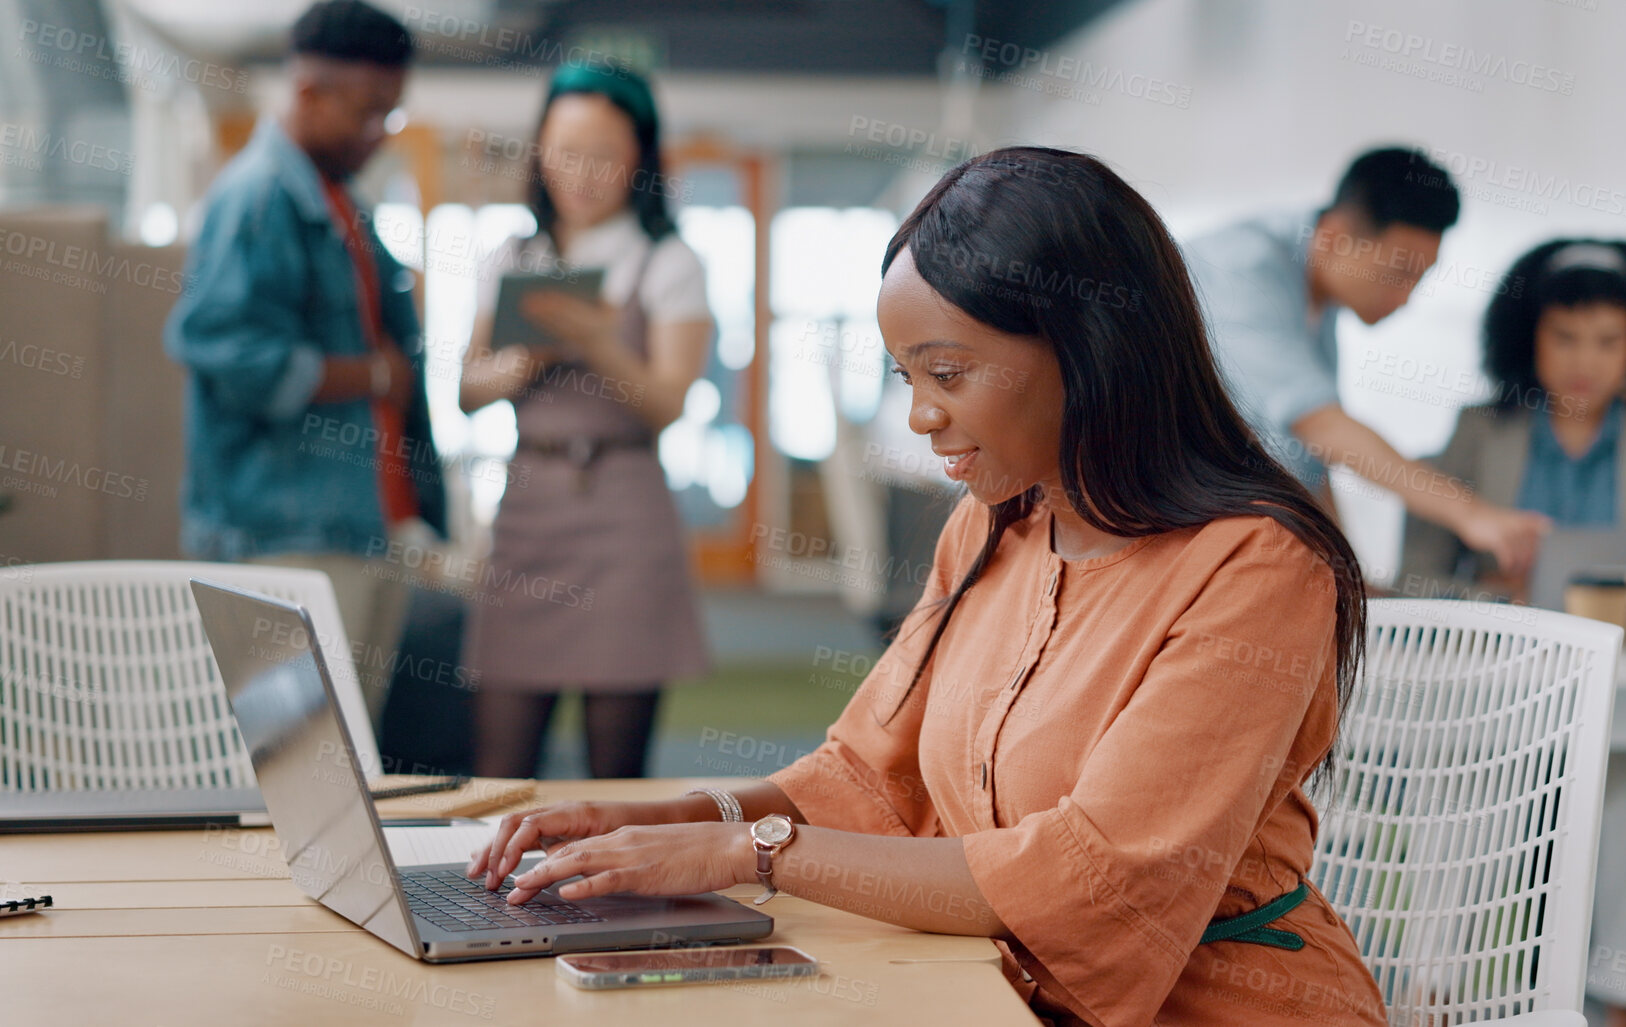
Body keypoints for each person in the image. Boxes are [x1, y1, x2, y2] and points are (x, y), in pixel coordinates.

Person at [470, 147, 1389, 1026]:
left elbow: (1099, 880)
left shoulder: (1258, 566)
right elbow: (866, 773)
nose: (918, 414)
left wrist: (745, 850)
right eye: (907, 376)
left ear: (1090, 344)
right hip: (992, 987)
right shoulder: (995, 524)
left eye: (946, 372)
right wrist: (671, 818)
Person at [1396, 238, 1626, 1025]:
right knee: (1454, 799)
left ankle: (1621, 1010)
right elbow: (1412, 582)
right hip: (1492, 699)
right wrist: (1492, 591)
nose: (1585, 361)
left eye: (1608, 341)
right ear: (1528, 339)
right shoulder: (1479, 430)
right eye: (1565, 337)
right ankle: (1431, 1000)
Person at [166, 0, 446, 724]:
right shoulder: (259, 197)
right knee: (298, 773)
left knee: (347, 768)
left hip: (358, 525)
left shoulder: (340, 201)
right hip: (288, 537)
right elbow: (223, 348)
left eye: (390, 112)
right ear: (309, 92)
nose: (378, 131)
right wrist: (372, 374)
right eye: (368, 111)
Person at [457, 62, 713, 780]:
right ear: (540, 150)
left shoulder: (668, 260)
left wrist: (596, 338)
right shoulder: (513, 254)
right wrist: (527, 357)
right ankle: (486, 894)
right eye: (565, 151)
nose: (581, 172)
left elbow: (668, 404)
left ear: (639, 159)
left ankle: (613, 892)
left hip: (625, 513)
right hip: (528, 503)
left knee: (616, 774)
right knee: (499, 764)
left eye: (602, 154)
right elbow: (466, 391)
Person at [1186, 147, 1551, 583]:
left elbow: (1304, 465)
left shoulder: (1315, 295)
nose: (1405, 298)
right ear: (1337, 236)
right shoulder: (1240, 271)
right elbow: (1323, 429)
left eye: (1420, 278)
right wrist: (1471, 515)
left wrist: (1347, 579)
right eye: (1398, 273)